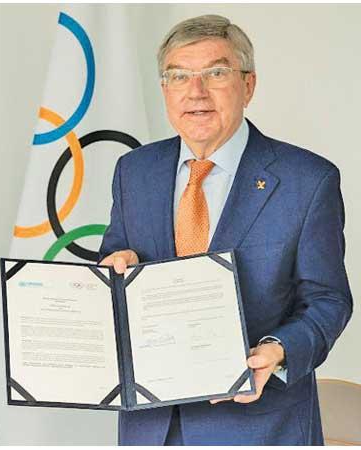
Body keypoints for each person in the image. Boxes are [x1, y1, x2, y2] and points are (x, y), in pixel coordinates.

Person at [99, 14, 352, 445]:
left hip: (258, 425)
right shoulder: (134, 171)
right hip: (150, 427)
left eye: (216, 73)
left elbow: (328, 299)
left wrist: (277, 351)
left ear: (248, 85)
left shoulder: (307, 180)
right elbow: (116, 256)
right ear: (165, 89)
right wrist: (115, 267)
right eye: (179, 76)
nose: (196, 92)